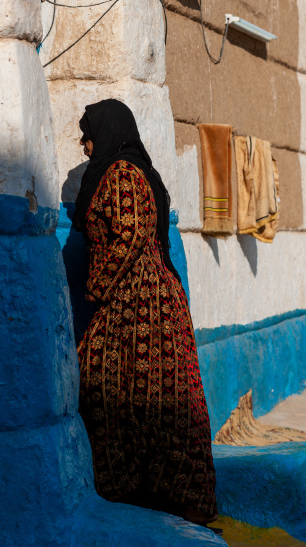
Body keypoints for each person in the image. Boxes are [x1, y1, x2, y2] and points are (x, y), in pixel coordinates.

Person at [73, 99, 220, 532]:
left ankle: (147, 495)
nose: (84, 146)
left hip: (140, 304)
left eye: (88, 134)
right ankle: (153, 496)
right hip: (142, 305)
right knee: (146, 398)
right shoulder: (135, 171)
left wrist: (97, 286)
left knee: (116, 387)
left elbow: (133, 231)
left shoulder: (121, 173)